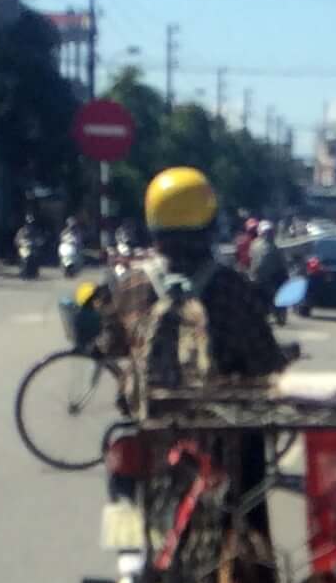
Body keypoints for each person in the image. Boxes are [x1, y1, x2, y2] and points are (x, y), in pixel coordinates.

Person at [91, 164, 287, 408]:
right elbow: (265, 359)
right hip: (223, 422)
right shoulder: (231, 286)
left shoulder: (132, 284)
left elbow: (111, 345)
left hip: (150, 418)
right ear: (210, 225)